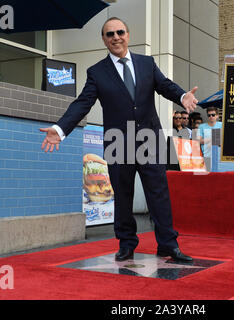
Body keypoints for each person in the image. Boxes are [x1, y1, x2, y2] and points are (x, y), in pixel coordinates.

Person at [39, 17, 198, 262]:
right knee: (123, 195)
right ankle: (126, 243)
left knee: (158, 193)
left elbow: (164, 85)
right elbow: (83, 103)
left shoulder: (147, 63)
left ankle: (168, 243)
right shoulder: (97, 72)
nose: (116, 37)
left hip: (149, 140)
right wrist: (60, 129)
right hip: (118, 142)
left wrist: (182, 95)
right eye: (109, 34)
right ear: (104, 40)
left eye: (120, 32)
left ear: (128, 35)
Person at [196, 107, 222, 171]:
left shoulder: (222, 125)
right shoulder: (201, 126)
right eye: (209, 115)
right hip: (206, 156)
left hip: (218, 156)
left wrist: (209, 140)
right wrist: (213, 139)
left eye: (213, 115)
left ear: (217, 116)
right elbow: (198, 141)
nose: (211, 117)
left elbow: (224, 140)